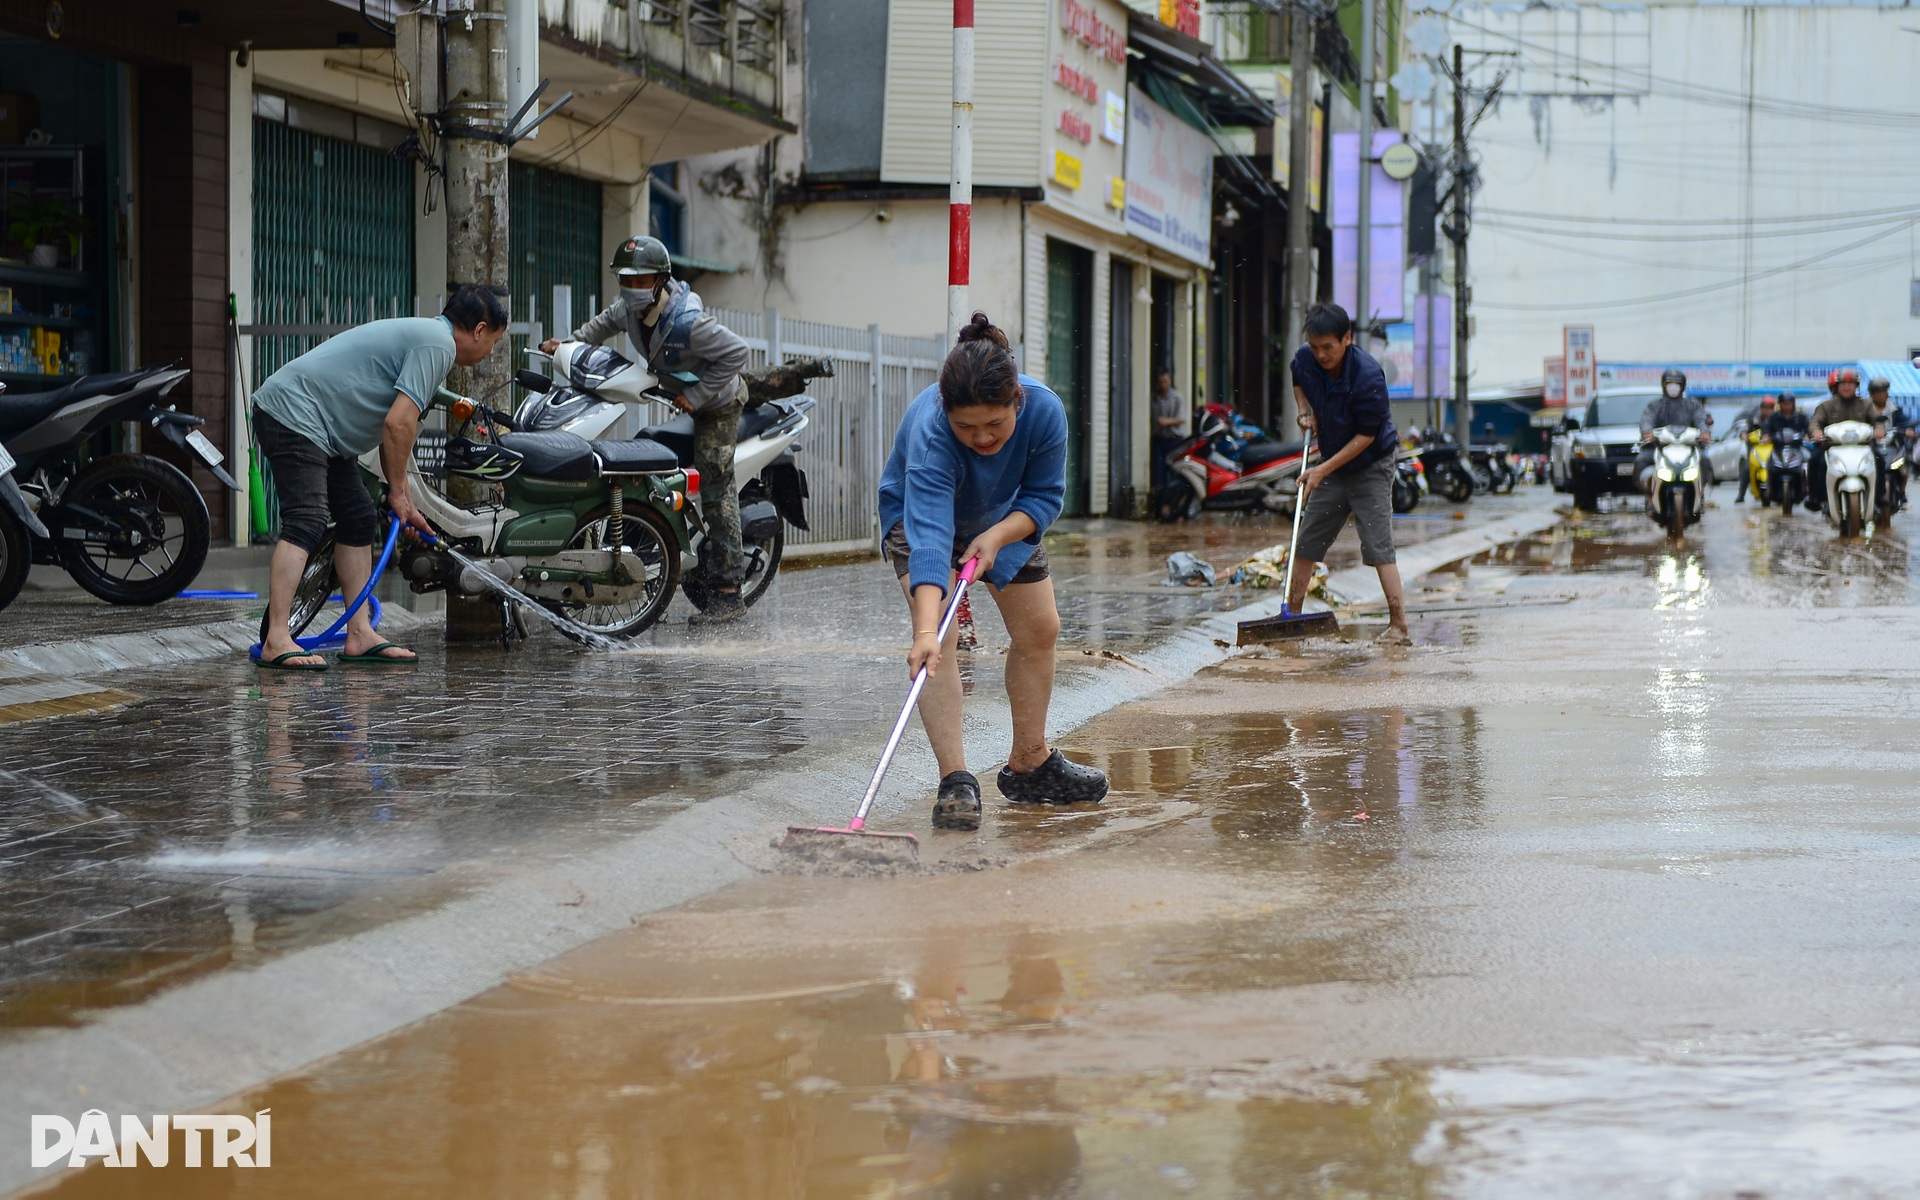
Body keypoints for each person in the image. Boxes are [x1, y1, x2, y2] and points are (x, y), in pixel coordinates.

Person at [876, 311, 1109, 831]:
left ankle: (1030, 762)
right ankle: (956, 781)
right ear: (946, 413)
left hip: (1004, 517)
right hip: (918, 519)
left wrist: (998, 535)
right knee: (944, 637)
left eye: (995, 424)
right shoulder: (933, 437)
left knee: (1040, 628)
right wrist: (924, 632)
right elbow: (931, 537)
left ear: (1016, 402)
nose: (982, 438)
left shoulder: (1045, 411)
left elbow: (1046, 496)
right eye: (968, 427)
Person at [253, 286, 507, 670]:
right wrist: (400, 494)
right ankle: (276, 638)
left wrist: (448, 400)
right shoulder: (438, 346)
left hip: (323, 429)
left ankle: (359, 634)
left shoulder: (430, 337)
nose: (491, 351)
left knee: (356, 516)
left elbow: (398, 380)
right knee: (306, 520)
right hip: (294, 415)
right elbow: (397, 424)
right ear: (479, 330)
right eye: (494, 342)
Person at [541, 235, 752, 625]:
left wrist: (700, 394)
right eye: (626, 279)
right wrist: (567, 346)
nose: (632, 288)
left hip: (718, 402)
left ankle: (728, 591)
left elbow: (738, 353)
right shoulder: (628, 309)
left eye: (641, 281)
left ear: (659, 281)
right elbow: (600, 327)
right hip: (679, 395)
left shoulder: (689, 322)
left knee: (715, 481)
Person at [1287, 302, 1411, 646]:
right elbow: (1297, 375)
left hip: (1370, 464)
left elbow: (1366, 437)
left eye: (1328, 347)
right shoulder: (1306, 358)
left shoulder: (1368, 376)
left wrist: (1321, 470)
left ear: (1347, 339)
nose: (1321, 355)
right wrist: (1303, 410)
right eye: (1315, 347)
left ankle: (1399, 625)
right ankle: (1291, 620)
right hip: (1331, 462)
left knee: (1378, 546)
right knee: (1307, 540)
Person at [1634, 368, 1712, 509]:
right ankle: (1650, 496)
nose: (1673, 386)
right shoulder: (1654, 406)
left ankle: (1699, 494)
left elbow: (1701, 420)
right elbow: (1647, 420)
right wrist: (1647, 432)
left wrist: (1704, 432)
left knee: (1704, 461)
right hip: (1659, 448)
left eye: (1677, 383)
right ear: (1664, 384)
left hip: (1688, 448)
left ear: (1683, 386)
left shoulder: (1692, 405)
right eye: (1669, 383)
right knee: (1641, 460)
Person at [1807, 367, 1876, 511]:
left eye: (1850, 384)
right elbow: (1815, 422)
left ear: (1857, 386)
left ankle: (1877, 500)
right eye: (1843, 383)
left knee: (1880, 459)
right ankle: (1819, 498)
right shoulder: (1826, 406)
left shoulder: (1866, 404)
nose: (1846, 386)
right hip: (1833, 448)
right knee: (1816, 460)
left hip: (1862, 447)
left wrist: (1880, 429)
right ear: (1837, 386)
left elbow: (1877, 420)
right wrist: (1816, 431)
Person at [1732, 393, 1780, 504]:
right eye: (1763, 407)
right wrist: (1744, 434)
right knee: (1747, 468)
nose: (1765, 410)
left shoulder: (1776, 419)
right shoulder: (1754, 419)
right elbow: (1744, 429)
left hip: (1772, 450)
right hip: (1756, 449)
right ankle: (1741, 495)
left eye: (1768, 408)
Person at [1149, 369, 1189, 493]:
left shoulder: (1176, 397)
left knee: (1174, 472)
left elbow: (1182, 419)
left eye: (1166, 381)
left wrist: (1167, 421)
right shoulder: (1153, 398)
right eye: (1161, 382)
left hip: (1174, 440)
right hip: (1159, 440)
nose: (1163, 385)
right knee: (1159, 473)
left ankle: (1172, 501)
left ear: (1170, 381)